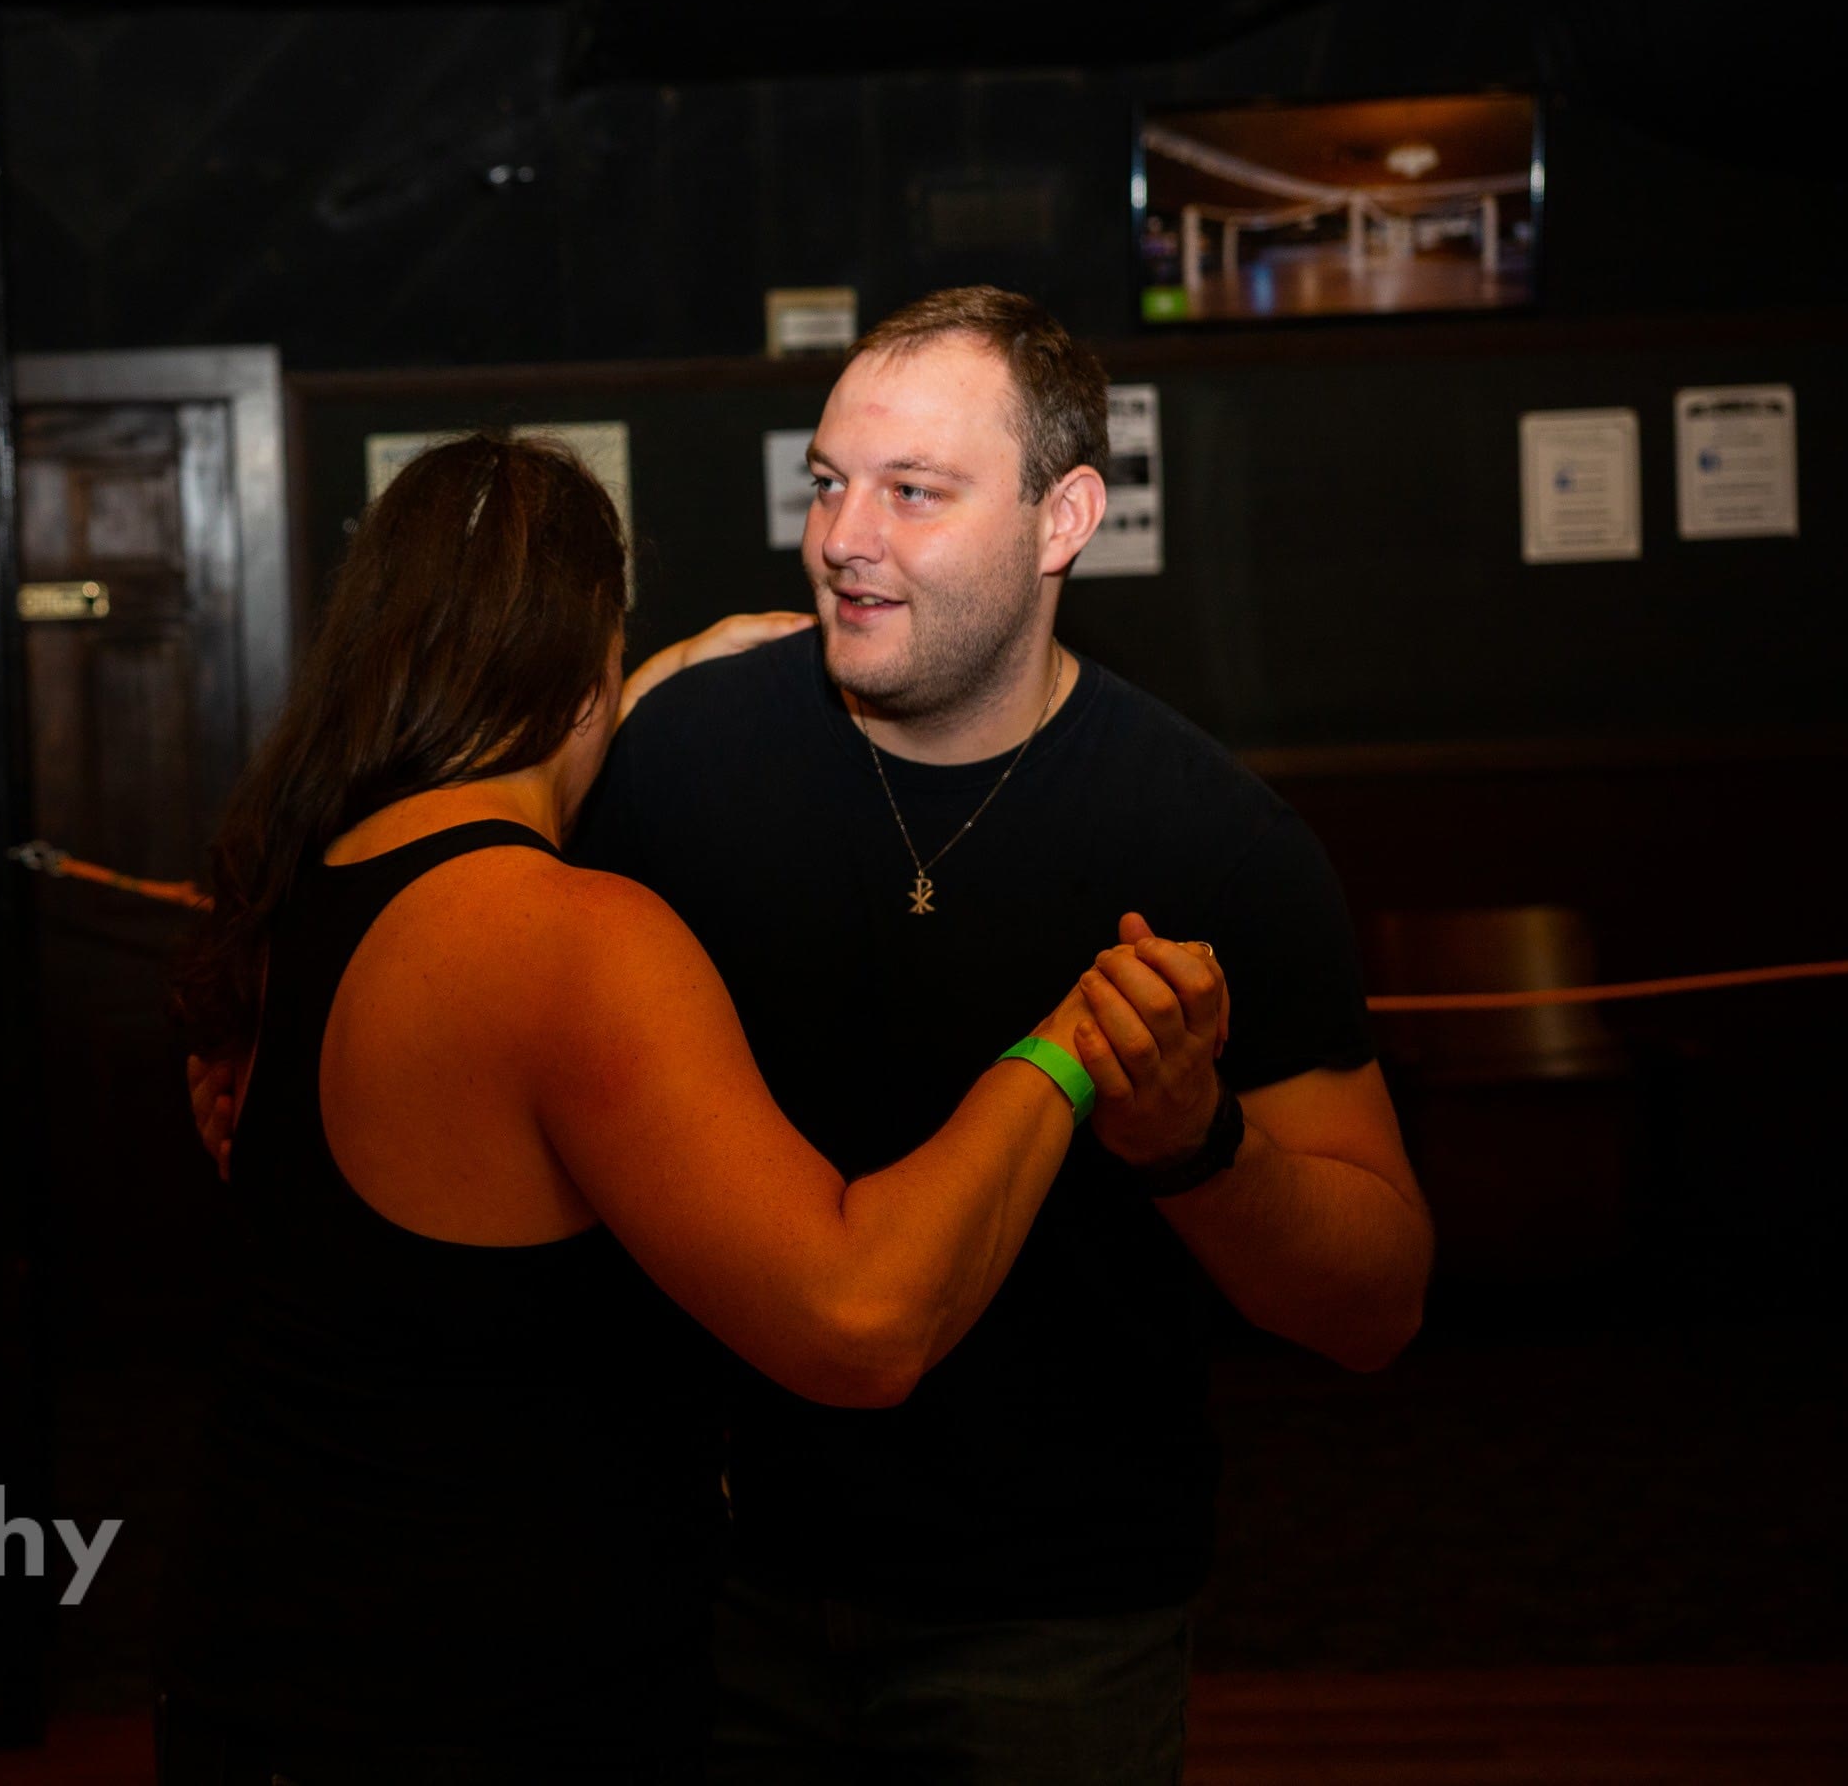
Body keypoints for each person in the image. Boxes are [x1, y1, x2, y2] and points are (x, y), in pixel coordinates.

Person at [158, 433, 1233, 1786]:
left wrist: (652, 683)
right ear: (586, 661)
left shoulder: (297, 893)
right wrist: (1070, 1045)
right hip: (486, 1704)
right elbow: (859, 1320)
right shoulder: (568, 940)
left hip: (269, 1662)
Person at [570, 286, 1435, 1783]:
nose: (843, 539)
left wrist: (1196, 1146)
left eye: (914, 492)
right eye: (829, 483)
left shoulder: (1212, 841)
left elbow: (1377, 1304)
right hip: (710, 1585)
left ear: (1062, 518)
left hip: (1054, 1625)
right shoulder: (684, 756)